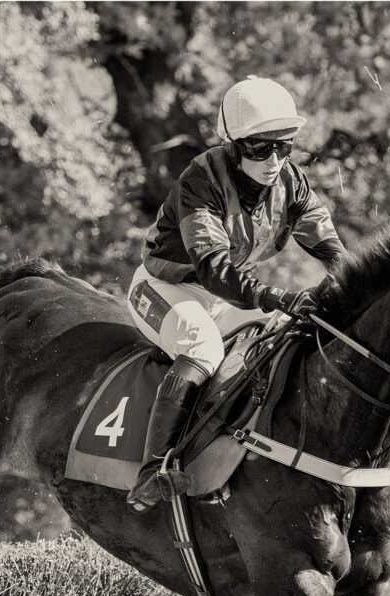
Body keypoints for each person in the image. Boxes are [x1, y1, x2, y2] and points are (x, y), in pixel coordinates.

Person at [126, 75, 347, 512]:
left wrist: (352, 285)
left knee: (283, 337)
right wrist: (277, 296)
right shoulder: (201, 179)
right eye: (258, 148)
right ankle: (153, 470)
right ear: (233, 144)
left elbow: (332, 251)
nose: (273, 160)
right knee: (203, 347)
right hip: (165, 287)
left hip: (223, 296)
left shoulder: (293, 183)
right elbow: (214, 269)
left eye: (282, 146)